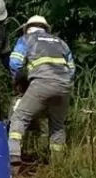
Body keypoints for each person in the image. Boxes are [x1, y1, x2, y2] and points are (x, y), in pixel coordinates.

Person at [6, 15, 75, 165]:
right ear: (46, 29)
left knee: (20, 117)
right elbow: (71, 69)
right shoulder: (61, 43)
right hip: (64, 86)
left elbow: (15, 63)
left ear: (27, 29)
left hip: (41, 84)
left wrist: (19, 79)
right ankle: (58, 164)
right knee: (57, 125)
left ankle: (13, 154)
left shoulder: (26, 39)